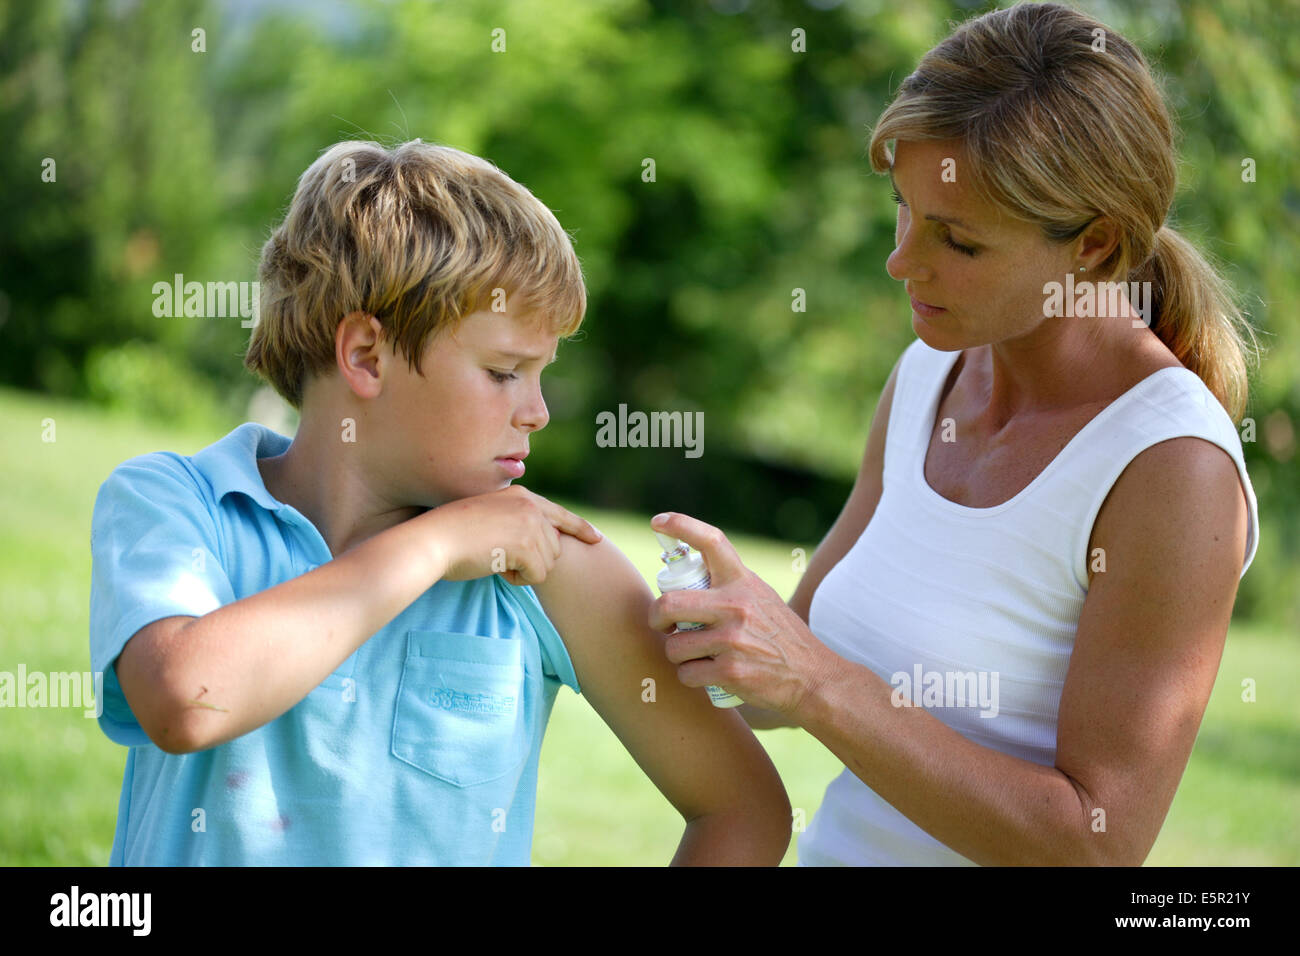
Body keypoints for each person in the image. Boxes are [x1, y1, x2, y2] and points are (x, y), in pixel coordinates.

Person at [648, 1, 1261, 866]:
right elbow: (779, 685)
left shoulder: (1170, 467)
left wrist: (820, 684)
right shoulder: (928, 375)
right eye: (903, 207)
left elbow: (1096, 844)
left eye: (957, 241)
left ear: (1093, 244)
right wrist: (705, 621)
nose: (901, 259)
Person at [89, 139, 790, 866]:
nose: (538, 412)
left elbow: (744, 811)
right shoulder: (176, 501)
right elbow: (184, 701)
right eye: (503, 371)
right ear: (365, 356)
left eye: (542, 374)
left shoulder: (548, 565)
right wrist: (435, 547)